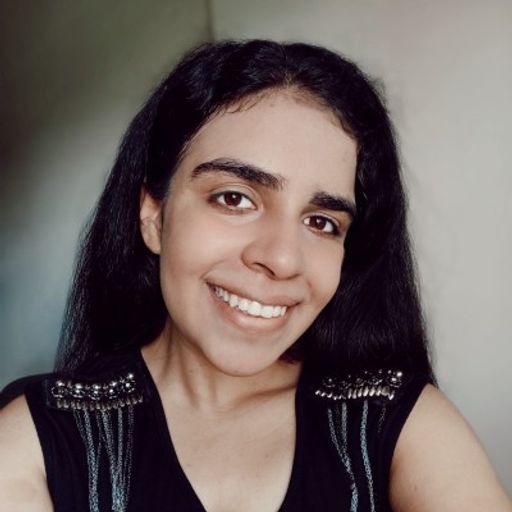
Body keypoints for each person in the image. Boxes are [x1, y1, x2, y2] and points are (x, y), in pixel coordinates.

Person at [0, 39, 510, 512]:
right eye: (235, 198)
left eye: (321, 222)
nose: (283, 259)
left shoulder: (396, 423)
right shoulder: (37, 436)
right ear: (154, 217)